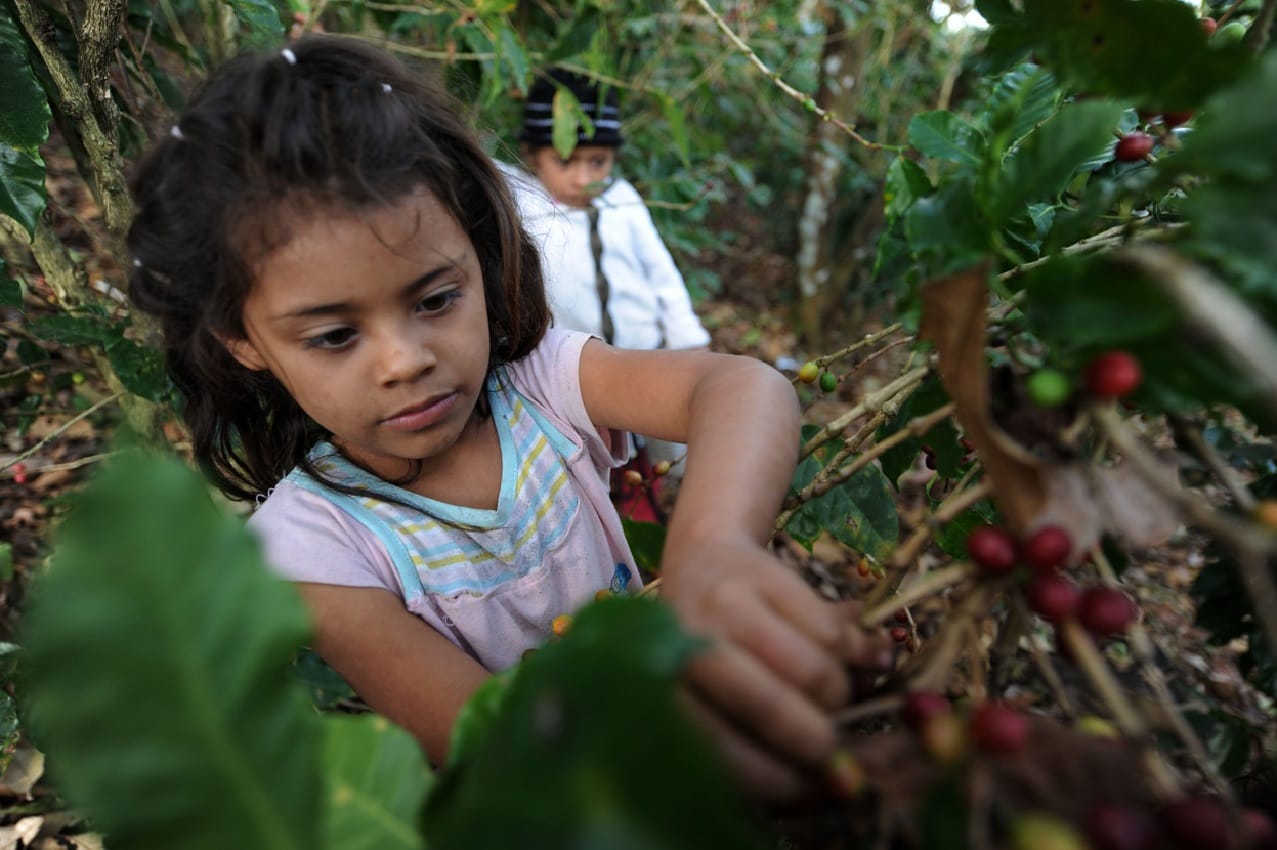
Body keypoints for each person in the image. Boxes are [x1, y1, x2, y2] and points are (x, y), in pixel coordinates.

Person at [127, 35, 890, 801]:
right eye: (334, 336)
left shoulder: (541, 383)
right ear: (243, 342)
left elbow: (743, 388)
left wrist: (710, 551)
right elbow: (494, 743)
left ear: (479, 258)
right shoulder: (311, 552)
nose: (404, 361)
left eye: (435, 300)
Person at [501, 69, 709, 511]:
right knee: (586, 476)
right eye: (566, 161)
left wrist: (687, 339)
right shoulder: (522, 203)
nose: (582, 178)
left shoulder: (623, 201)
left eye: (597, 162)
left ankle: (649, 549)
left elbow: (662, 272)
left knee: (647, 469)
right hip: (574, 380)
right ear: (534, 156)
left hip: (646, 362)